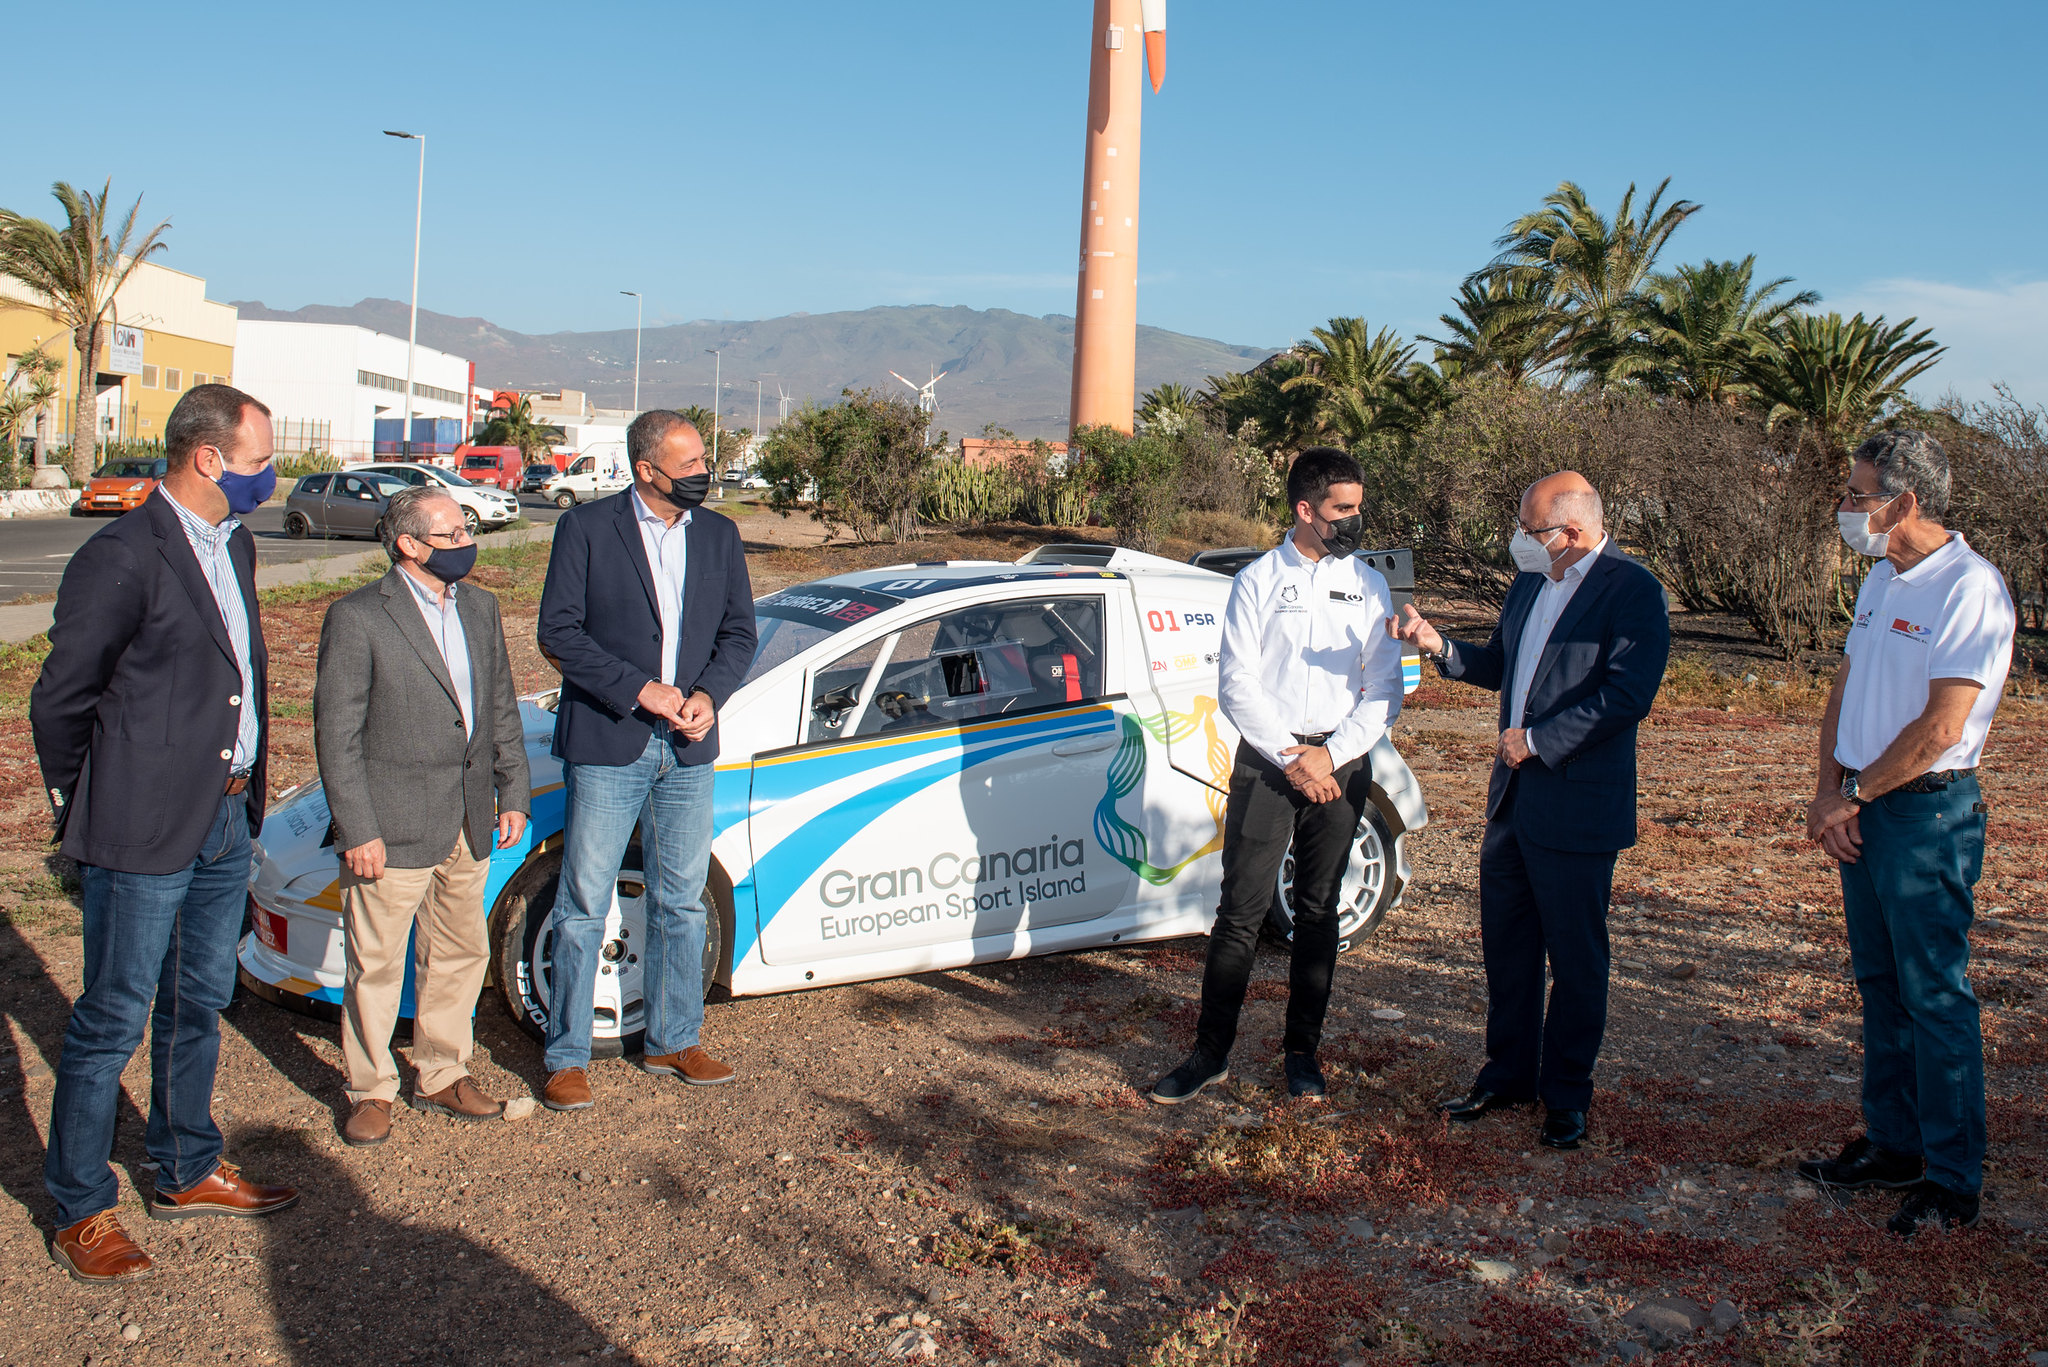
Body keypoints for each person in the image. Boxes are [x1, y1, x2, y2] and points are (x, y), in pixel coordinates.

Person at [30, 384, 299, 1284]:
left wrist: (248, 793)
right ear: (210, 457)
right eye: (262, 458)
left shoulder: (240, 544)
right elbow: (62, 699)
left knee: (199, 1002)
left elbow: (240, 677)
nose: (274, 474)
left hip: (224, 816)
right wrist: (85, 806)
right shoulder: (122, 554)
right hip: (140, 827)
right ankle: (79, 1204)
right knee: (109, 1021)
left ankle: (185, 1166)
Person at [1392, 472, 1669, 1150]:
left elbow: (1626, 695)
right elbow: (1503, 665)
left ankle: (1566, 1093)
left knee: (1576, 958)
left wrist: (1541, 740)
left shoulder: (1632, 590)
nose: (1519, 541)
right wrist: (1441, 647)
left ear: (1571, 533)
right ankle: (1508, 1073)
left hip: (1576, 802)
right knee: (1508, 946)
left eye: (1530, 530)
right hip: (1512, 802)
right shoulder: (1530, 583)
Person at [1797, 431, 2014, 1236]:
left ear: (1906, 501)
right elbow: (1847, 689)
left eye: (1858, 497)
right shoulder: (1882, 580)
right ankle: (1892, 1143)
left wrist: (1852, 794)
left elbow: (1943, 725)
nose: (1846, 511)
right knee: (1880, 985)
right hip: (1862, 807)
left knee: (1934, 992)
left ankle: (1953, 1178)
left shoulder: (1969, 588)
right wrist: (1828, 787)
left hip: (1923, 814)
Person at [1150, 447, 1406, 1105]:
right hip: (1270, 766)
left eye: (1358, 506)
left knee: (1319, 913)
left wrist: (1333, 754)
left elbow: (1384, 686)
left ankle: (1302, 1055)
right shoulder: (1258, 581)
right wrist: (1294, 756)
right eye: (1342, 509)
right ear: (1305, 509)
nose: (1355, 519)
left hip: (1341, 766)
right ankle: (1209, 1055)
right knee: (1240, 912)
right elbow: (1236, 683)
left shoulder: (1369, 585)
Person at [534, 410, 757, 1111]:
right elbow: (559, 634)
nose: (702, 472)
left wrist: (708, 695)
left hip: (689, 746)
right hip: (610, 741)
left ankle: (673, 1038)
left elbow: (740, 632)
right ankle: (567, 1056)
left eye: (703, 459)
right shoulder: (587, 529)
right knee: (583, 903)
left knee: (681, 899)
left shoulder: (719, 535)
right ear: (646, 470)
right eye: (688, 463)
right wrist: (642, 690)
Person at [314, 485, 532, 1146]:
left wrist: (513, 790)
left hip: (467, 821)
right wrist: (358, 827)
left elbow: (499, 707)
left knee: (459, 954)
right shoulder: (358, 617)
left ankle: (441, 1073)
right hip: (390, 826)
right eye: (451, 534)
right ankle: (370, 1086)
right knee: (375, 964)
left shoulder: (483, 608)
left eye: (468, 530)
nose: (466, 542)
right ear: (408, 544)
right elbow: (337, 735)